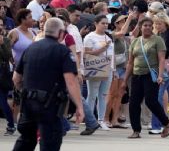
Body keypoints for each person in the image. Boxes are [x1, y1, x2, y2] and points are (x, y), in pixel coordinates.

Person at [12, 17, 84, 151]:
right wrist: (79, 106)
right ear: (61, 33)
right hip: (49, 106)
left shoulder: (30, 48)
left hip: (28, 104)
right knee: (50, 142)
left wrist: (24, 92)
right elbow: (71, 81)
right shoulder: (62, 51)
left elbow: (16, 78)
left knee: (25, 140)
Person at [121, 17, 169, 139]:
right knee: (133, 103)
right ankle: (136, 130)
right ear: (140, 27)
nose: (148, 27)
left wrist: (160, 76)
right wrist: (124, 80)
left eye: (150, 25)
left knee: (151, 101)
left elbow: (161, 59)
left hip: (151, 75)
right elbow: (130, 62)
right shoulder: (135, 42)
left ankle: (166, 122)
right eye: (145, 25)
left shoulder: (158, 40)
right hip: (136, 75)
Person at [150, 12, 169, 134]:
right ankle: (161, 123)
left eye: (159, 23)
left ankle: (158, 126)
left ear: (165, 22)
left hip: (167, 66)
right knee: (158, 96)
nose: (157, 26)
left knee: (158, 96)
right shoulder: (158, 33)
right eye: (155, 23)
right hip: (160, 66)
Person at [83, 15, 114, 131]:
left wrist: (113, 69)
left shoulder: (108, 37)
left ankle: (101, 120)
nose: (105, 25)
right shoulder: (89, 37)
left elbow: (112, 54)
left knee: (103, 95)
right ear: (96, 23)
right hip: (95, 67)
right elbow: (87, 54)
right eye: (103, 23)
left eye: (107, 23)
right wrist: (102, 49)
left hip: (108, 68)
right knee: (92, 95)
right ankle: (90, 120)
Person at [104, 13, 134, 129]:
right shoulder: (112, 35)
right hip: (114, 68)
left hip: (122, 68)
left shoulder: (124, 38)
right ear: (116, 23)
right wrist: (130, 18)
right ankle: (106, 118)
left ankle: (114, 119)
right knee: (112, 94)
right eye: (122, 21)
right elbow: (121, 32)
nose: (125, 23)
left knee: (119, 95)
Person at [0, 18, 15, 135]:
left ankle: (11, 124)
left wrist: (1, 45)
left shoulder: (5, 40)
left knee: (3, 101)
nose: (0, 27)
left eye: (1, 25)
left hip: (2, 74)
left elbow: (7, 56)